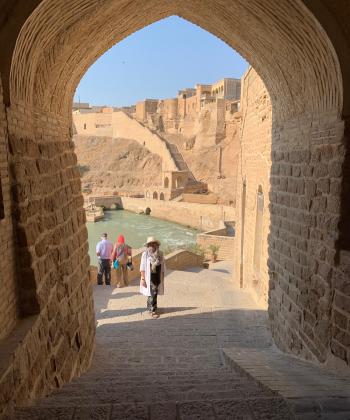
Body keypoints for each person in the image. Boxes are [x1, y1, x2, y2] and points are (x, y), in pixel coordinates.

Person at [140, 236, 165, 318]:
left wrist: (163, 277)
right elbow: (142, 267)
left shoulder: (160, 254)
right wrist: (143, 279)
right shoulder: (145, 254)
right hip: (149, 277)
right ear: (148, 246)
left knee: (154, 293)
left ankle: (152, 306)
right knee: (152, 292)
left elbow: (163, 266)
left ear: (156, 245)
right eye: (150, 244)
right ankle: (152, 310)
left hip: (157, 276)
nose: (152, 246)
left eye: (153, 244)